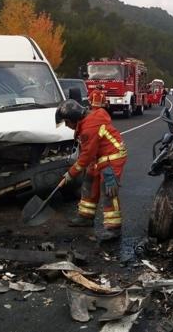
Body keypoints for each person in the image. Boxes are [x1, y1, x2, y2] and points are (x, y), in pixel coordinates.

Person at [55, 99, 127, 241]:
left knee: (108, 190)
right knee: (89, 181)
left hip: (112, 157)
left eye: (66, 122)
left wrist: (70, 174)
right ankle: (85, 217)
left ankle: (114, 228)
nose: (67, 126)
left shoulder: (89, 127)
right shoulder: (86, 121)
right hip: (99, 157)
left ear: (73, 119)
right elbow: (89, 154)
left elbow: (86, 156)